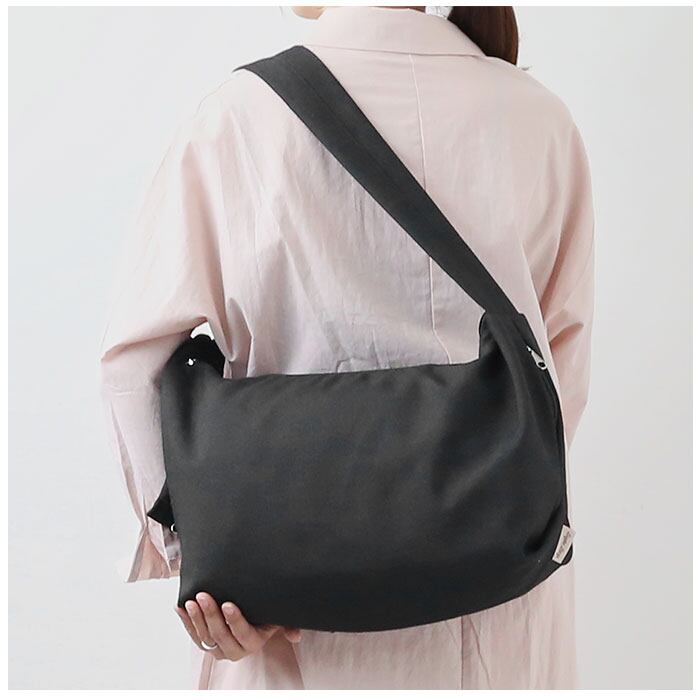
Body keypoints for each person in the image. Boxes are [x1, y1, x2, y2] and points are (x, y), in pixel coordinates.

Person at [99, 5, 594, 690]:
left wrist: (203, 552)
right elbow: (556, 376)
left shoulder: (239, 117)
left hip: (285, 611)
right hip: (501, 608)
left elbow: (135, 367)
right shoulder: (540, 118)